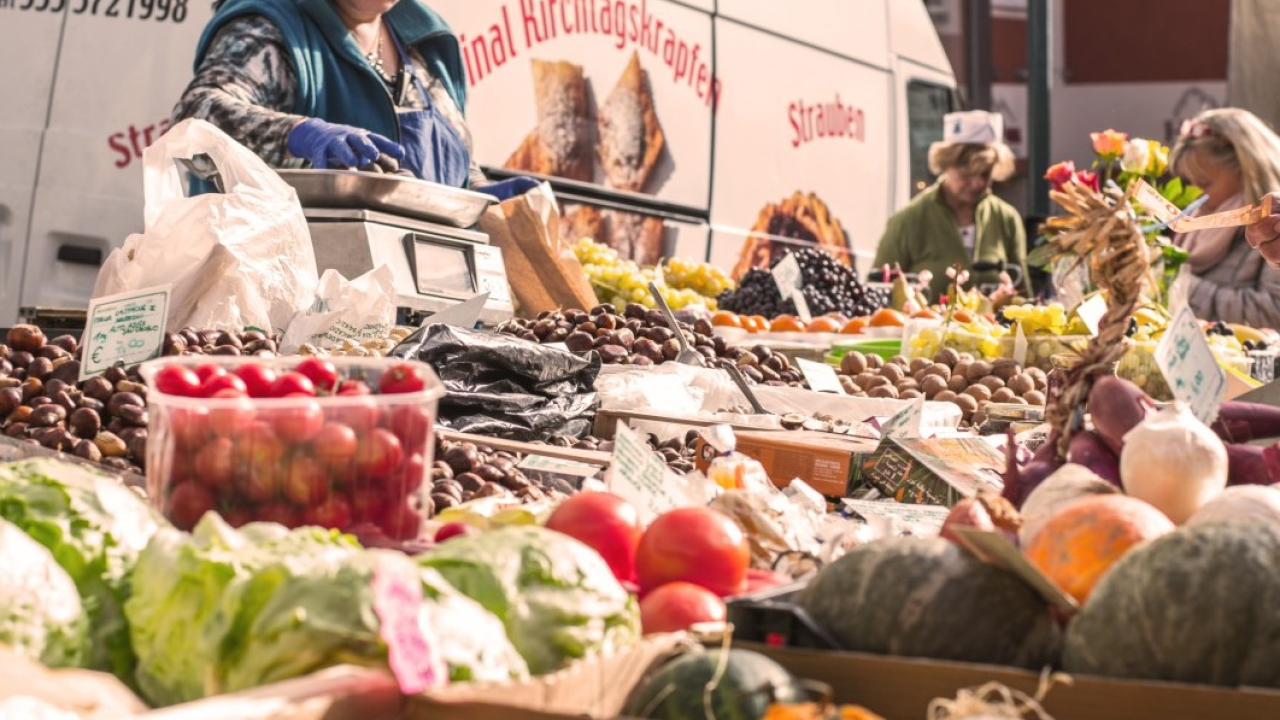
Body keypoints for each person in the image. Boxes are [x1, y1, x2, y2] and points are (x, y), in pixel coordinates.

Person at [173, 0, 535, 199]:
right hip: (298, 299)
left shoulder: (426, 40)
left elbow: (447, 159)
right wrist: (299, 134)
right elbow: (194, 120)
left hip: (434, 298)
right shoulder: (270, 27)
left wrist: (479, 193)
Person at [873, 111, 1029, 300]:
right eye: (967, 174)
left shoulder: (1007, 219)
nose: (977, 183)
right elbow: (878, 291)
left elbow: (1024, 295)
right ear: (945, 165)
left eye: (985, 173)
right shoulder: (907, 221)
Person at [1170, 108, 1280, 329]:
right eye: (1189, 182)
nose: (1195, 194)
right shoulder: (1194, 225)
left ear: (1247, 171)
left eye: (1204, 183)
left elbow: (1273, 313)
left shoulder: (1271, 226)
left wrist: (1176, 284)